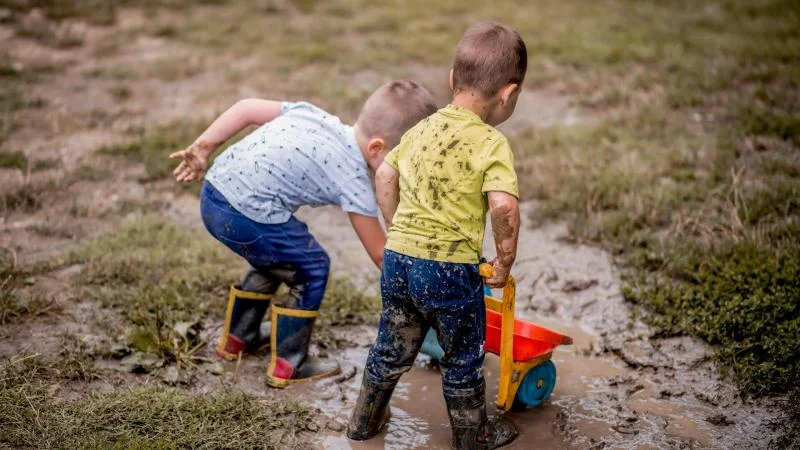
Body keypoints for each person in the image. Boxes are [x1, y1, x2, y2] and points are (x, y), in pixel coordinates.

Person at [170, 81, 437, 388]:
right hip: (243, 212)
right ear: (377, 148)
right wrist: (422, 291)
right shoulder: (354, 179)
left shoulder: (311, 114)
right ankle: (289, 364)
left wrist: (203, 148)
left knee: (277, 257)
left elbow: (245, 108)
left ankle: (238, 339)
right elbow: (381, 255)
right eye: (404, 164)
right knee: (312, 267)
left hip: (214, 193)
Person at [347, 22, 526, 449]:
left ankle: (363, 423)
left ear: (451, 80)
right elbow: (503, 206)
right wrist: (503, 261)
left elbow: (386, 172)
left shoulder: (419, 130)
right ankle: (472, 437)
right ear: (509, 93)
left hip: (399, 262)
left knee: (391, 344)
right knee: (463, 355)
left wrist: (396, 231)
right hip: (448, 269)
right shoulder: (491, 142)